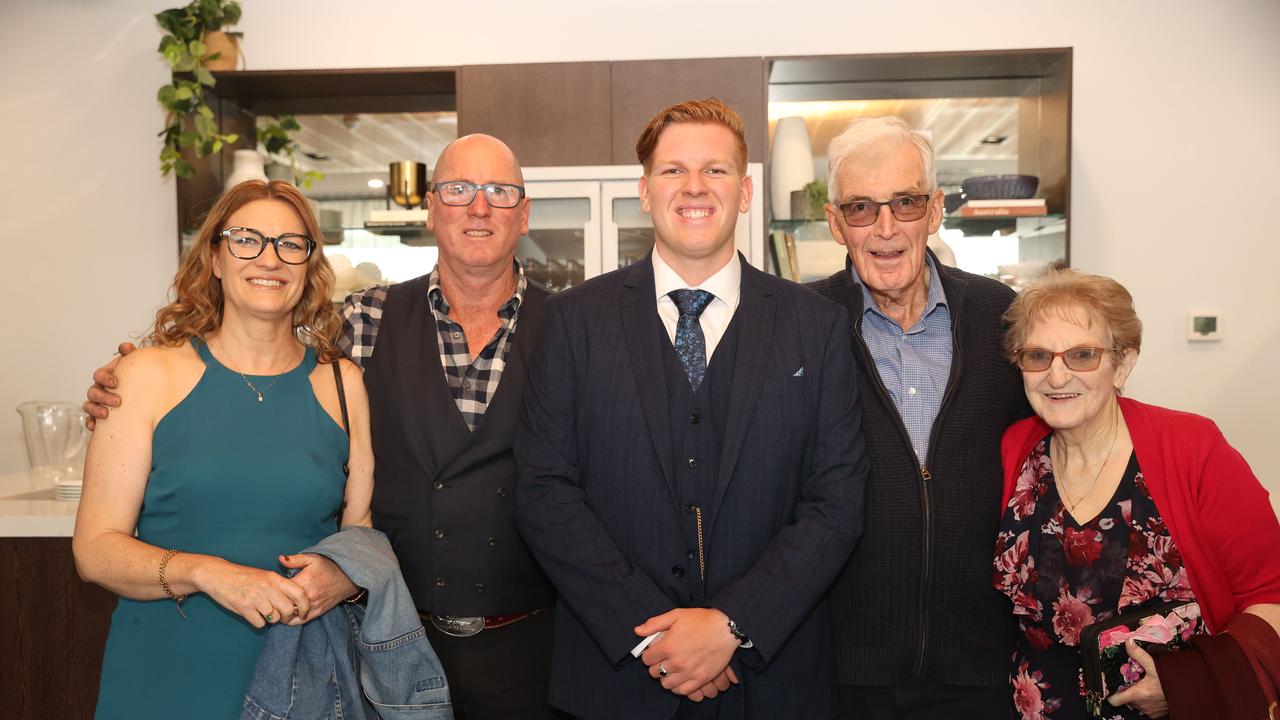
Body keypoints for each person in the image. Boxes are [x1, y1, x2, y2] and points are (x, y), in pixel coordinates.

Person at [85, 135, 558, 720]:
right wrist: (127, 373)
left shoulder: (573, 330)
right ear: (432, 206)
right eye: (458, 190)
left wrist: (344, 572)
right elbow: (245, 353)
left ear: (525, 210)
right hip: (366, 643)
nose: (479, 207)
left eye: (499, 192)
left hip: (531, 647)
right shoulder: (365, 319)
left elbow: (354, 527)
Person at [514, 98, 868, 720]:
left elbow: (836, 500)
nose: (695, 187)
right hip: (616, 680)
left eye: (716, 170)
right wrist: (654, 638)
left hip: (772, 679)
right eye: (674, 170)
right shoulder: (575, 322)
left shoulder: (817, 327)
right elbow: (545, 493)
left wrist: (734, 625)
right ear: (645, 191)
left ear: (746, 190)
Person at [72, 179, 374, 719]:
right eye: (246, 240)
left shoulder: (342, 382)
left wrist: (347, 576)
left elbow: (360, 533)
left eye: (291, 244)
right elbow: (94, 550)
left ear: (309, 265)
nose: (270, 259)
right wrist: (208, 572)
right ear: (214, 257)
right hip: (166, 673)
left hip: (302, 676)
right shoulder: (144, 375)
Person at [808, 116, 1031, 719]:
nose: (885, 228)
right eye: (860, 207)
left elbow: (1055, 452)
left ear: (934, 210)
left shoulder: (999, 316)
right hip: (840, 672)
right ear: (835, 223)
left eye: (904, 202)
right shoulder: (801, 324)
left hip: (980, 667)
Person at [994, 269, 1280, 719]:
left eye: (1082, 355)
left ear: (1123, 364)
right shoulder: (1017, 449)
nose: (1056, 375)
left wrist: (1188, 684)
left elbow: (1270, 592)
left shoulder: (1191, 448)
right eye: (1038, 355)